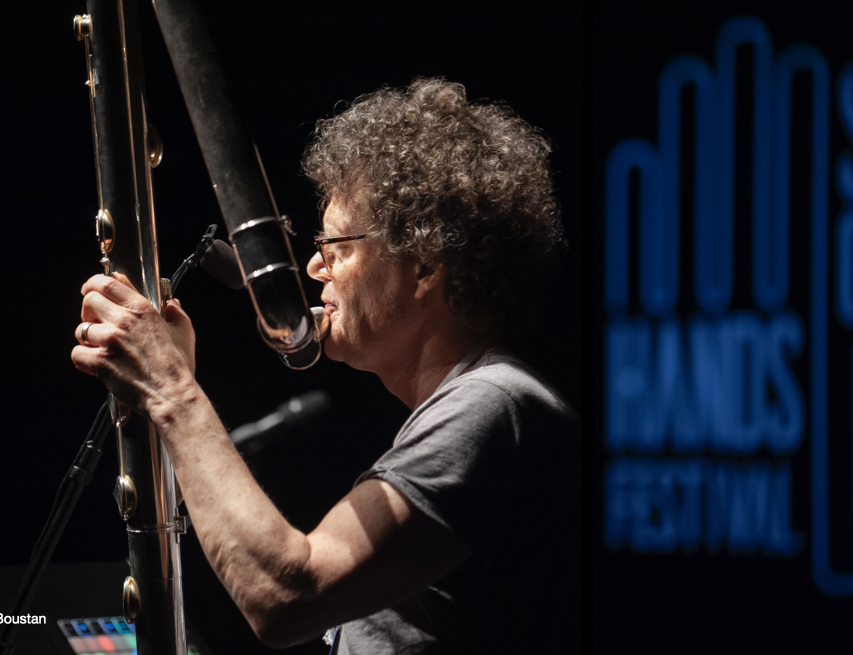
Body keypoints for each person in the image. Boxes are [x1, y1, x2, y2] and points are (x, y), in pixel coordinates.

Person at [72, 77, 581, 653]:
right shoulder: (484, 403)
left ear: (424, 265)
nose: (315, 268)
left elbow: (286, 596)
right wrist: (167, 395)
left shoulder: (495, 404)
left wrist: (172, 390)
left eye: (337, 248)